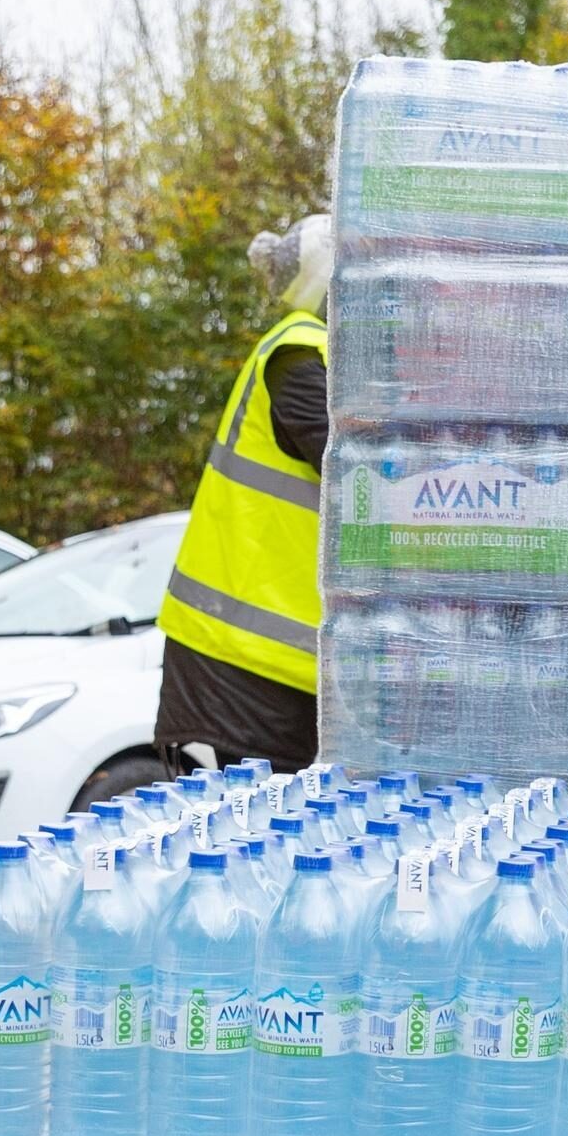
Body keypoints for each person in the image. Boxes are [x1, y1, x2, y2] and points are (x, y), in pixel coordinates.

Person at [155, 215, 332, 776]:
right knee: (256, 846)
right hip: (241, 669)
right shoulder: (300, 357)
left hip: (258, 665)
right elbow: (368, 484)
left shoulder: (310, 355)